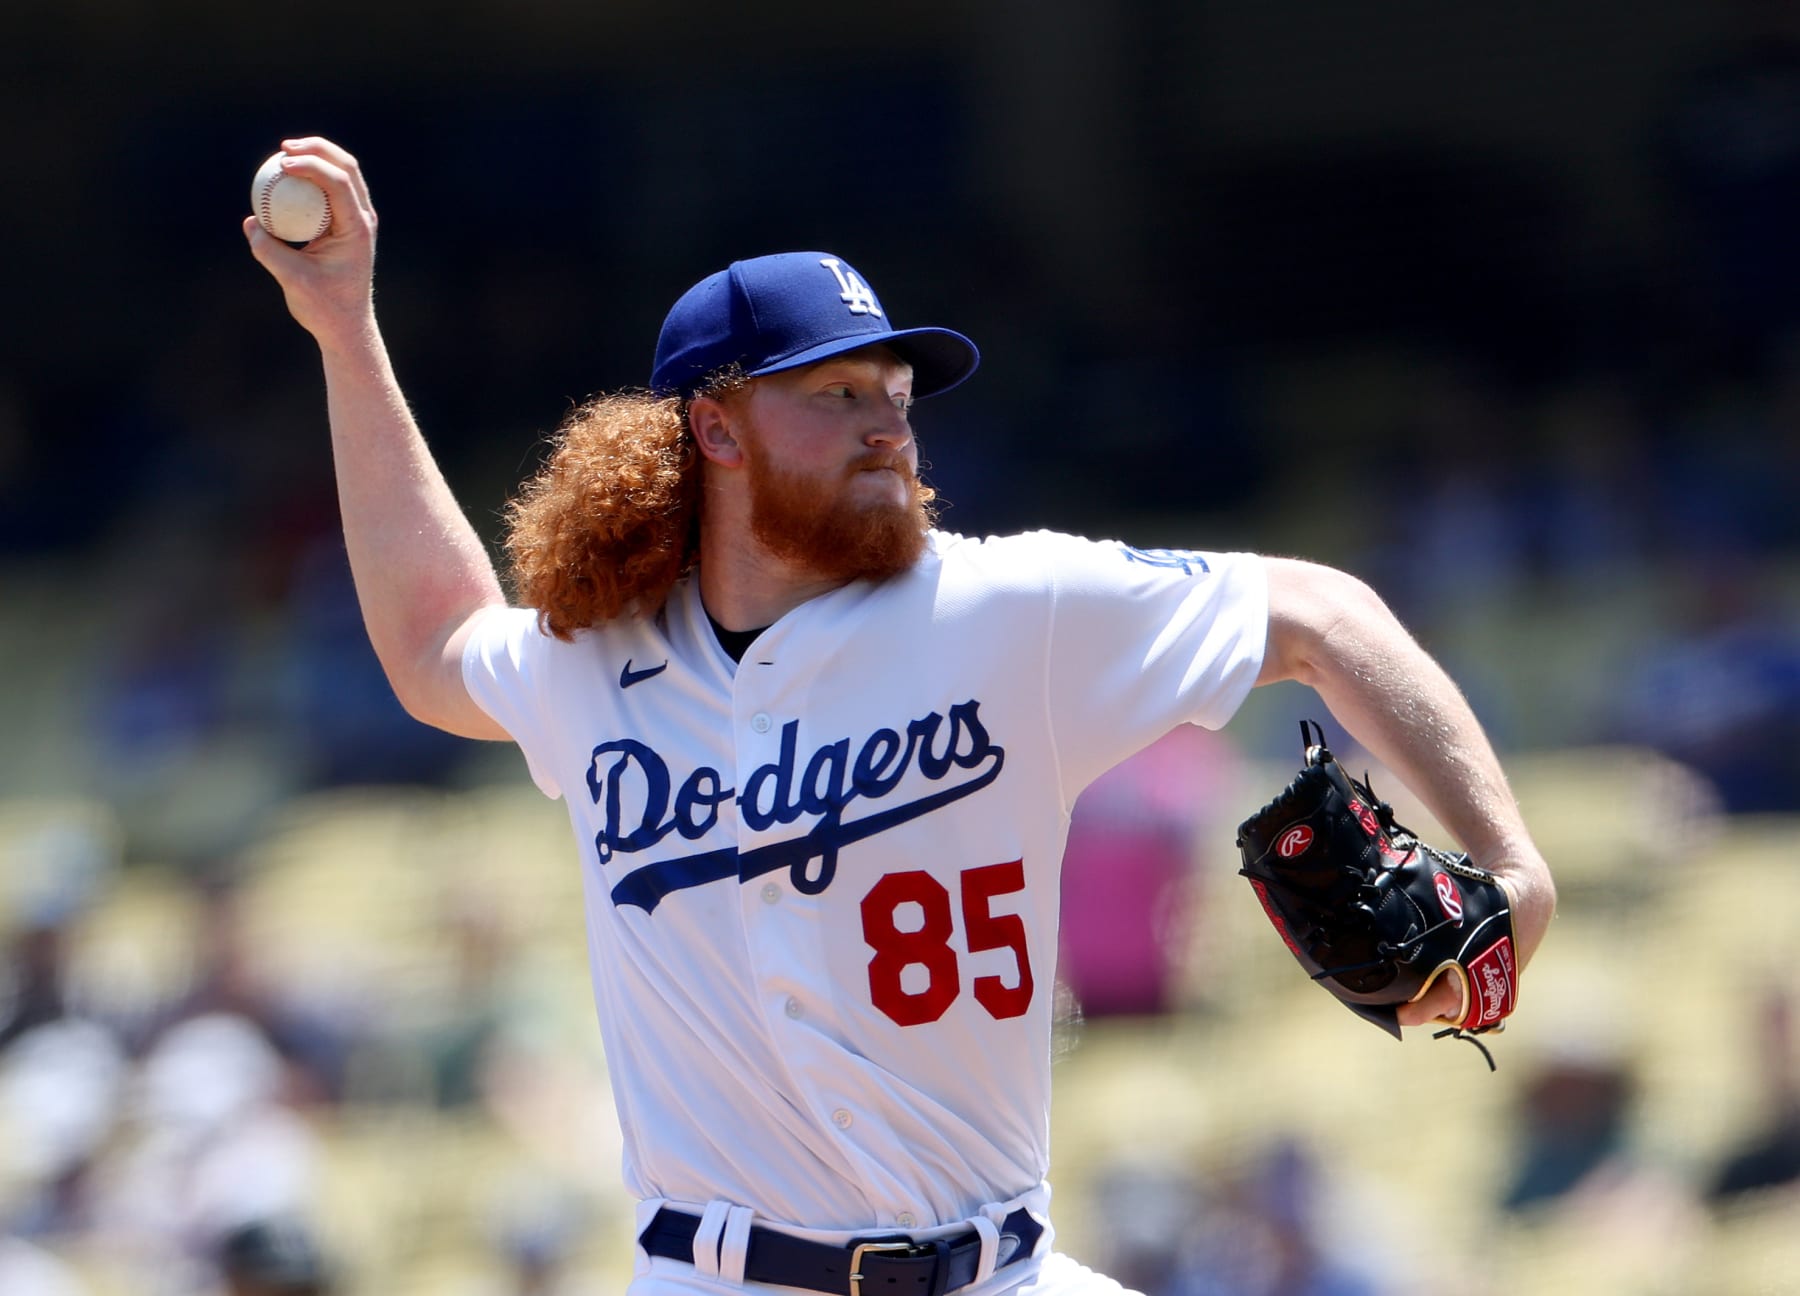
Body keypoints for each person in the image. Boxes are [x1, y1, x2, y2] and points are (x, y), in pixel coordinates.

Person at [245, 137, 1556, 1296]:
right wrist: (344, 328)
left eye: (895, 393)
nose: (887, 426)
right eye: (835, 396)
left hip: (1003, 1265)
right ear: (713, 430)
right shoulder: (601, 665)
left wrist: (1508, 859)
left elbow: (1325, 614)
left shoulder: (1009, 609)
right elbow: (433, 647)